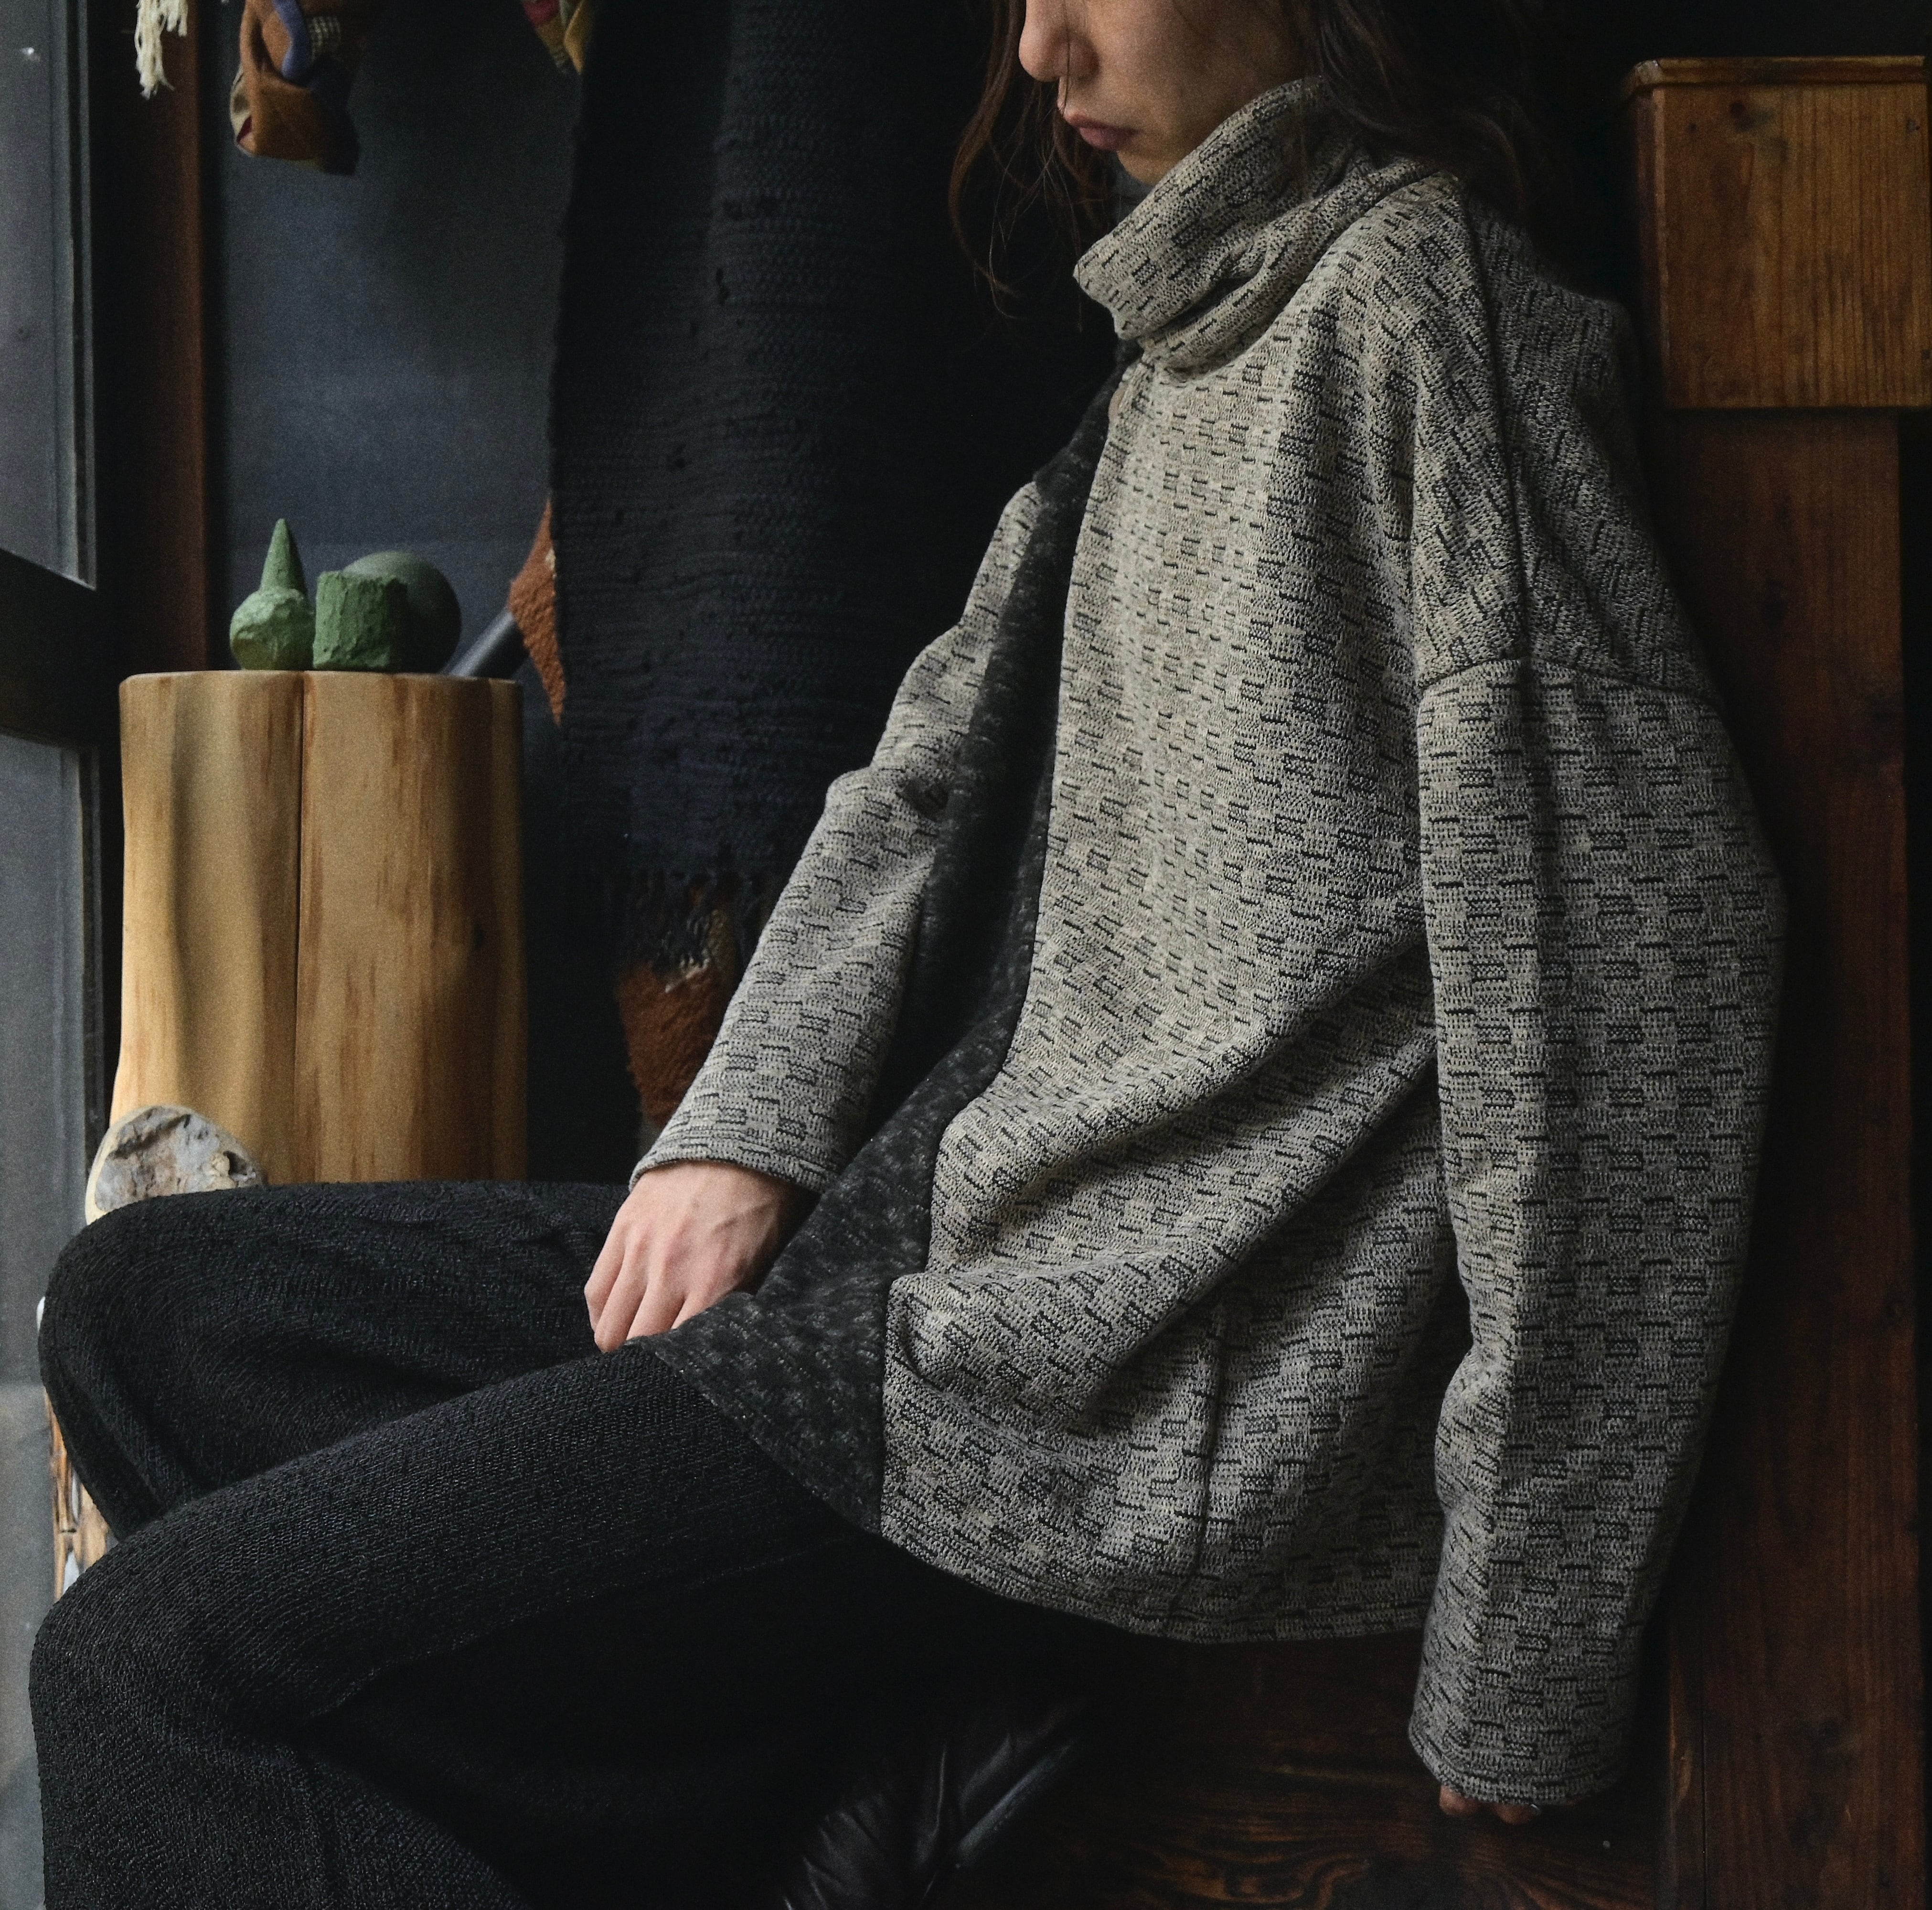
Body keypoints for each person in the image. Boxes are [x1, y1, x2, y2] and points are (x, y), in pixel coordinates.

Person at [31, 0, 1783, 1902]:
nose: (1035, 54)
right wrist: (741, 1135)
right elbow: (920, 781)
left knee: (146, 1672)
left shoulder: (1430, 321)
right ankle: (795, 1813)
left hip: (1087, 1387)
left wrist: (1529, 1643)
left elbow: (1631, 1009)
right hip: (915, 1250)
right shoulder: (1183, 339)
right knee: (146, 1307)